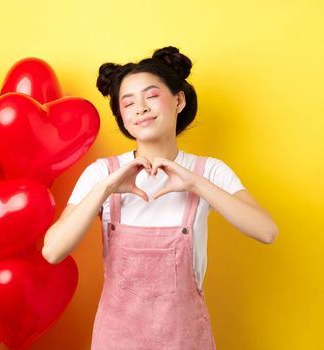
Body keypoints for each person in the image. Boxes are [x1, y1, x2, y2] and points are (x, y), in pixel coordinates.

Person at [41, 46, 279, 349]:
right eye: (128, 103)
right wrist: (105, 188)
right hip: (117, 340)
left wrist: (195, 184)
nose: (140, 108)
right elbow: (52, 251)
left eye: (151, 96)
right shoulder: (104, 173)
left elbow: (266, 231)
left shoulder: (207, 171)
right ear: (122, 117)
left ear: (178, 100)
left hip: (184, 339)